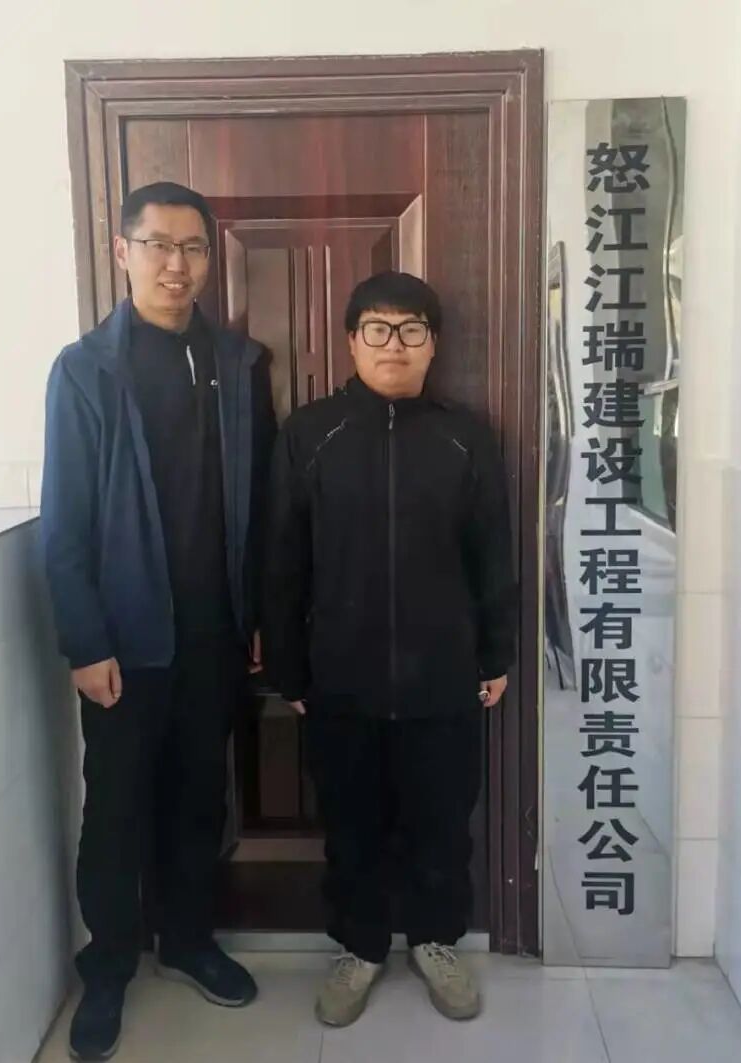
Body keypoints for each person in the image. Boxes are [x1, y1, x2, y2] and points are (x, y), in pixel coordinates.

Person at [41, 181, 276, 1061]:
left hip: (215, 632)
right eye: (159, 245)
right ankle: (107, 966)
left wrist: (260, 614)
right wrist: (84, 640)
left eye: (194, 247)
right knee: (116, 807)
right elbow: (64, 517)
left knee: (198, 796)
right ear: (123, 251)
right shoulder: (85, 370)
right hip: (124, 640)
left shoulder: (240, 364)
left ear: (211, 257)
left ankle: (187, 940)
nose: (178, 265)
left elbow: (261, 502)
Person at [264, 271, 517, 1028]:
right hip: (341, 677)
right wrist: (289, 669)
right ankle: (360, 947)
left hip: (445, 676)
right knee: (352, 826)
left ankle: (436, 941)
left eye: (412, 330)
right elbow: (281, 561)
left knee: (443, 823)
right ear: (351, 341)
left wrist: (496, 655)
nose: (394, 345)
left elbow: (493, 556)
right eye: (377, 328)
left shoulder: (466, 437)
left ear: (433, 344)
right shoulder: (311, 434)